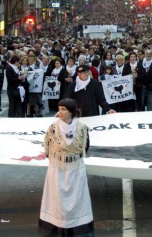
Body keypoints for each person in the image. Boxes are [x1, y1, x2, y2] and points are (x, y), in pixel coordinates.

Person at [38, 98, 94, 237]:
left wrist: (71, 157)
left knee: (77, 200)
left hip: (75, 169)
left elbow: (85, 148)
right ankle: (58, 229)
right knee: (58, 201)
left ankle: (76, 229)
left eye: (64, 109)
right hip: (58, 169)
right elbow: (47, 149)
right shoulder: (52, 128)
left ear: (71, 112)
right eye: (59, 109)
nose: (60, 112)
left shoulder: (82, 128)